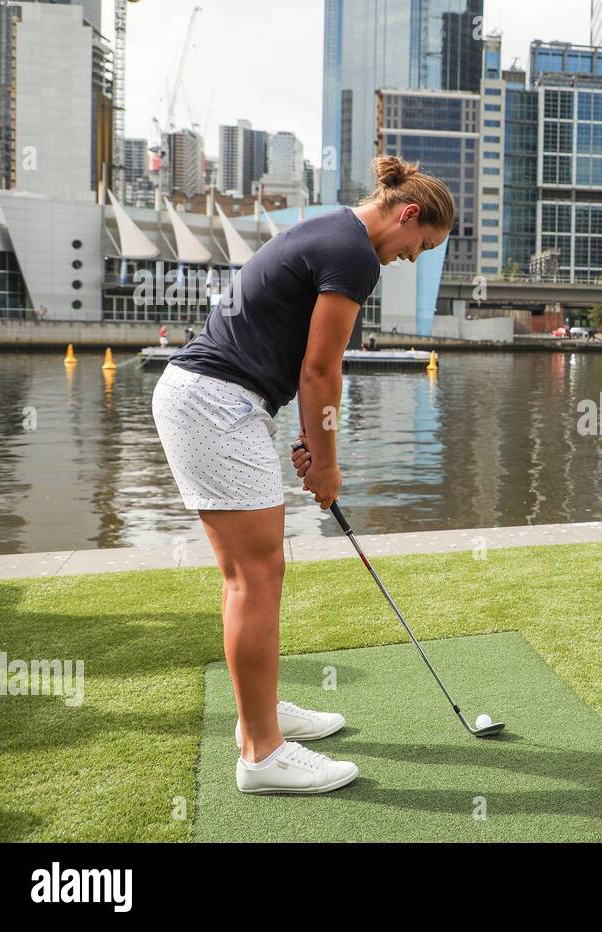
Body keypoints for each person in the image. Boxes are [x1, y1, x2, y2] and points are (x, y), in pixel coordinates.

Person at [151, 155, 454, 795]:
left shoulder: (332, 234)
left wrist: (312, 445)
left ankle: (258, 716)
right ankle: (262, 754)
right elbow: (321, 371)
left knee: (260, 573)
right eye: (420, 245)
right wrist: (331, 464)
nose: (412, 258)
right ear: (406, 214)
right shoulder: (355, 255)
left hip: (223, 400)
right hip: (212, 403)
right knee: (253, 577)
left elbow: (294, 361)